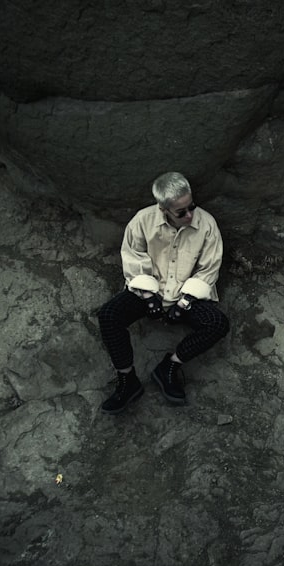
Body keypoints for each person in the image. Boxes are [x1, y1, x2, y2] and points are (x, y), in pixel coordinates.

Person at [96, 171, 229, 413]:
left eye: (192, 207)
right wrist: (147, 296)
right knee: (108, 316)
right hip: (150, 291)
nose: (189, 215)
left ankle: (169, 366)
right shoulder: (142, 221)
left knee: (217, 324)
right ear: (163, 208)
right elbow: (133, 257)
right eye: (181, 212)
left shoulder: (207, 224)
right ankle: (128, 381)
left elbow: (209, 269)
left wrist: (186, 301)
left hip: (185, 294)